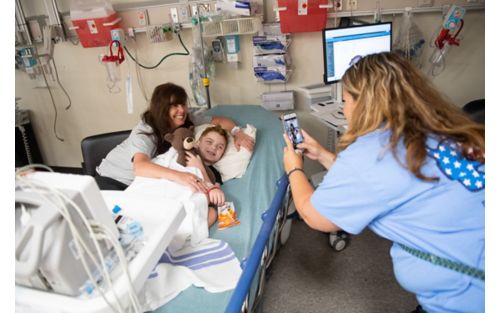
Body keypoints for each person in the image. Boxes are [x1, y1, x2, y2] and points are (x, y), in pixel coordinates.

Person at [283, 52, 484, 313]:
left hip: (469, 295)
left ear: (363, 104)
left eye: (345, 101)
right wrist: (323, 155)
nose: (344, 109)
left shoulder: (374, 152)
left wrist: (294, 168)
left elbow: (313, 215)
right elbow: (384, 183)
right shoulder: (438, 127)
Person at [96, 82, 254, 191]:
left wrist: (237, 133)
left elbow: (219, 120)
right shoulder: (146, 131)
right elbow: (140, 167)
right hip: (114, 180)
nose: (181, 110)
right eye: (174, 105)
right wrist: (181, 177)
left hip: (143, 185)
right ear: (162, 109)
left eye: (183, 104)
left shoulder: (185, 119)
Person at [185, 125, 229, 227]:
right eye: (209, 142)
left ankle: (188, 233)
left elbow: (214, 196)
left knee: (212, 214)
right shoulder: (186, 153)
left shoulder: (216, 174)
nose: (214, 147)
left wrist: (200, 167)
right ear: (198, 142)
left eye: (220, 147)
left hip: (193, 201)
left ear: (222, 154)